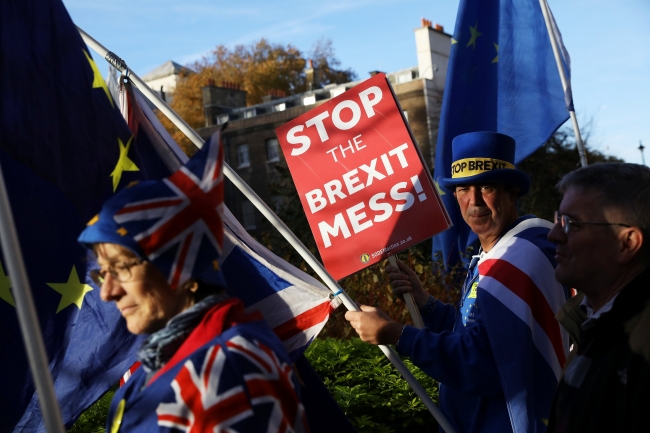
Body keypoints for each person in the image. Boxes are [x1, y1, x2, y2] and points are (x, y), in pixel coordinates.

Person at [78, 135, 309, 432]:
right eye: (102, 273)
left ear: (183, 269)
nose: (108, 293)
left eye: (121, 268)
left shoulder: (228, 370)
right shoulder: (163, 365)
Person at [345, 131, 569, 432]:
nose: (474, 201)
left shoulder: (517, 258)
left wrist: (395, 334)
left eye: (486, 187)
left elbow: (480, 363)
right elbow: (480, 333)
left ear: (512, 192)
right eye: (463, 189)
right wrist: (426, 304)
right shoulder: (498, 250)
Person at [546, 163, 650, 432]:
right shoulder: (593, 320)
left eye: (572, 224)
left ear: (627, 243)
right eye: (558, 219)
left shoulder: (642, 345)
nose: (554, 234)